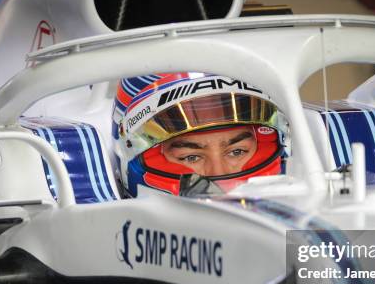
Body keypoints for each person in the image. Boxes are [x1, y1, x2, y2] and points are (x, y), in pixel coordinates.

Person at [112, 72, 286, 197]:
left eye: (237, 152)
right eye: (192, 157)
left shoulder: (301, 242)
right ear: (129, 151)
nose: (218, 175)